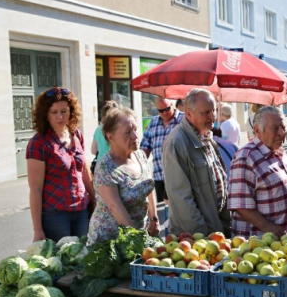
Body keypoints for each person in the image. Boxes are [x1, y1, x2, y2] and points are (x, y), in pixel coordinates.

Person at [161, 89, 231, 297]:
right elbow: (181, 198)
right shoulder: (177, 142)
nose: (212, 116)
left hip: (213, 234)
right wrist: (202, 237)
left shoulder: (206, 136)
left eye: (214, 110)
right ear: (188, 113)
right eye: (206, 112)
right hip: (194, 239)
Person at [26, 87, 95, 242]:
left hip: (81, 209)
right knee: (63, 260)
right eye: (54, 112)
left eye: (64, 111)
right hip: (55, 214)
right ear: (45, 114)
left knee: (83, 255)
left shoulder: (76, 135)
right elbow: (35, 189)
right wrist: (37, 230)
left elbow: (84, 171)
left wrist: (95, 198)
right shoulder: (39, 142)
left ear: (71, 111)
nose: (59, 117)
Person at [228, 106, 287, 241]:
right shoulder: (246, 157)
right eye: (275, 128)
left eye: (283, 127)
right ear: (257, 130)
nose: (281, 133)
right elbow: (239, 205)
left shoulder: (279, 151)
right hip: (261, 247)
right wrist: (268, 227)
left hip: (286, 244)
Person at [88, 105, 158, 244]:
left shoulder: (140, 156)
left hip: (136, 234)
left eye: (135, 130)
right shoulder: (105, 167)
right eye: (127, 132)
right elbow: (115, 207)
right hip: (110, 242)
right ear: (111, 136)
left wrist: (154, 218)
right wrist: (139, 241)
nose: (135, 136)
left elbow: (149, 186)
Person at [140, 97, 183, 207]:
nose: (164, 113)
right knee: (163, 212)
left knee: (180, 209)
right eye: (160, 111)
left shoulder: (184, 119)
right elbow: (145, 146)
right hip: (159, 176)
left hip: (179, 176)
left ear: (172, 105)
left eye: (167, 109)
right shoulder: (153, 122)